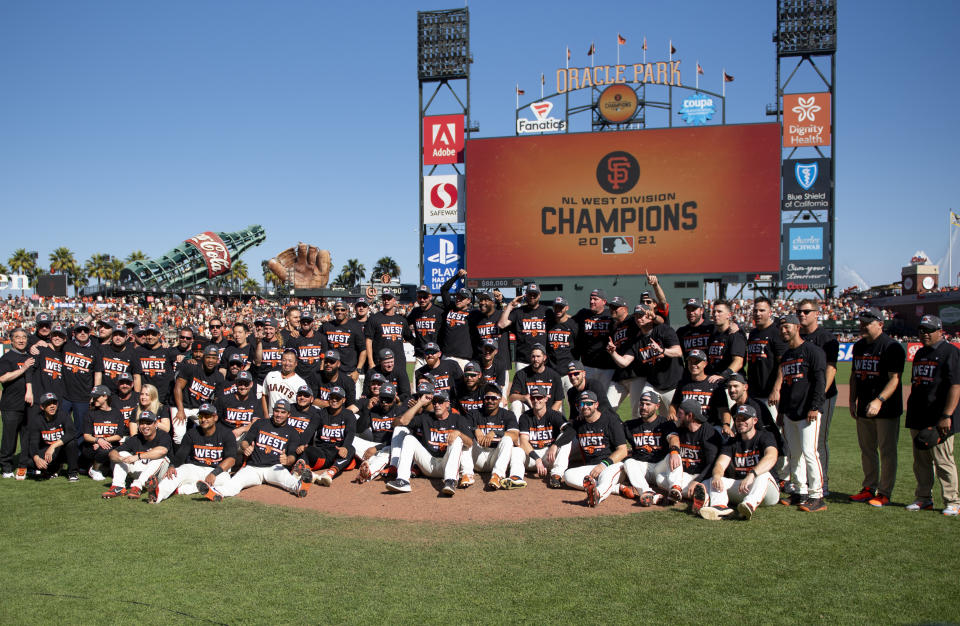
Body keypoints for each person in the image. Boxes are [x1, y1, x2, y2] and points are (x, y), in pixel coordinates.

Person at [848, 307, 905, 507]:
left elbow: (895, 380)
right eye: (861, 322)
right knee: (867, 449)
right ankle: (868, 487)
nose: (862, 326)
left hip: (886, 409)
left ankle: (884, 492)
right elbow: (854, 375)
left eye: (867, 323)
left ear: (880, 324)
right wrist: (851, 400)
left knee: (887, 451)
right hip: (864, 406)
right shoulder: (859, 346)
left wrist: (879, 400)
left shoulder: (892, 347)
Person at [904, 315, 960, 516]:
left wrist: (947, 415)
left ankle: (953, 500)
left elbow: (956, 385)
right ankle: (923, 498)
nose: (924, 334)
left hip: (939, 417)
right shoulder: (920, 353)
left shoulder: (950, 352)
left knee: (943, 460)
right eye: (921, 330)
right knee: (921, 462)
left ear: (940, 331)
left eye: (928, 330)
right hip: (918, 414)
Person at [205, 399, 312, 501]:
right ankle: (217, 493)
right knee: (236, 482)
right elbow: (245, 441)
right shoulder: (260, 423)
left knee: (287, 480)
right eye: (276, 411)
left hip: (274, 467)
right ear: (273, 411)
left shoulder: (293, 432)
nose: (279, 415)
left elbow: (292, 456)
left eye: (283, 412)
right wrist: (246, 448)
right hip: (253, 467)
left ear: (288, 414)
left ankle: (300, 487)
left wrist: (287, 460)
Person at [777, 313, 827, 513]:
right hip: (790, 412)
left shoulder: (812, 351)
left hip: (808, 412)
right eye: (781, 327)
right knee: (794, 454)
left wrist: (815, 407)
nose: (783, 330)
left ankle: (817, 495)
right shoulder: (787, 355)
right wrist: (781, 412)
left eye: (787, 326)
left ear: (797, 327)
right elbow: (786, 388)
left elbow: (819, 382)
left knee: (809, 453)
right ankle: (800, 491)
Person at [698, 405, 781, 521]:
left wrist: (752, 474)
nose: (741, 422)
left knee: (763, 474)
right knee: (713, 480)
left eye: (745, 419)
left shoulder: (765, 436)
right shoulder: (732, 442)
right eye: (738, 419)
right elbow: (720, 464)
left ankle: (749, 505)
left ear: (755, 420)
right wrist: (717, 476)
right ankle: (720, 507)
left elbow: (771, 457)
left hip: (767, 491)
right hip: (744, 487)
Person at [549, 390, 628, 507]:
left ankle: (597, 495)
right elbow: (567, 433)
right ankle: (615, 488)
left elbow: (623, 450)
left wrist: (603, 465)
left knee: (607, 475)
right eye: (582, 404)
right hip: (591, 468)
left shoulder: (610, 421)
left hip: (612, 465)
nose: (585, 407)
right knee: (568, 476)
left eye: (589, 403)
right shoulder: (579, 423)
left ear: (596, 405)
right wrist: (555, 445)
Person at [147, 402, 237, 504]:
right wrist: (172, 466)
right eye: (201, 416)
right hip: (195, 468)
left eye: (207, 416)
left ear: (215, 418)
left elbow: (231, 459)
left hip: (215, 470)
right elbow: (181, 454)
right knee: (177, 473)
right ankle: (156, 495)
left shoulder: (227, 434)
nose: (203, 419)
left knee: (226, 480)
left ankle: (182, 490)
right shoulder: (192, 433)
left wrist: (214, 473)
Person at [386, 390, 473, 496]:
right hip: (428, 463)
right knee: (409, 439)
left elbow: (469, 444)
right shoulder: (426, 417)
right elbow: (402, 422)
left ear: (447, 403)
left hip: (446, 464)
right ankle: (403, 481)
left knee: (458, 439)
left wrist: (459, 433)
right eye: (435, 402)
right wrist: (420, 403)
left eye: (440, 402)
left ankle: (450, 481)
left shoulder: (457, 418)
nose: (436, 405)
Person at [796, 298, 840, 495]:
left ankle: (823, 484)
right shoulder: (795, 336)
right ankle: (802, 484)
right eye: (799, 312)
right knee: (799, 442)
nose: (802, 315)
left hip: (823, 396)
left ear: (817, 313)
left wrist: (819, 397)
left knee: (818, 441)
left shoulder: (826, 338)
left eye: (806, 311)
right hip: (799, 398)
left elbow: (831, 369)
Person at [620, 390, 682, 506]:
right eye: (642, 404)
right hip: (642, 467)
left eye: (648, 404)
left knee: (674, 454)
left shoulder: (665, 423)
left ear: (657, 406)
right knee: (629, 462)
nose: (644, 407)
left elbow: (673, 438)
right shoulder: (630, 425)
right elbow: (617, 442)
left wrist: (674, 451)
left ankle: (675, 488)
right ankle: (647, 492)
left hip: (660, 467)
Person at [461, 382, 526, 490]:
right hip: (478, 456)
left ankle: (497, 476)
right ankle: (467, 474)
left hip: (496, 457)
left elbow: (515, 436)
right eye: (487, 398)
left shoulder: (507, 414)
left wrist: (495, 432)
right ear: (483, 399)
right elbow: (461, 430)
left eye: (494, 398)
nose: (490, 401)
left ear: (500, 399)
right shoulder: (473, 413)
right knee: (464, 439)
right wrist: (474, 429)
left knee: (508, 440)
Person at [100, 410, 171, 499]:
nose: (145, 426)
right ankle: (118, 487)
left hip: (158, 475)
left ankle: (137, 487)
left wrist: (138, 457)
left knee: (161, 458)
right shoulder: (136, 438)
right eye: (142, 423)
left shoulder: (163, 436)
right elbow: (112, 453)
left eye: (148, 423)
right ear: (138, 425)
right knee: (122, 453)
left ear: (155, 424)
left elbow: (162, 451)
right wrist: (121, 459)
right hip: (141, 470)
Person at [298, 386, 357, 486]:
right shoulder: (320, 414)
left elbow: (350, 433)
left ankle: (330, 473)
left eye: (338, 398)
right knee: (305, 449)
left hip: (338, 453)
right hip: (322, 453)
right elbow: (309, 430)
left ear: (343, 400)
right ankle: (308, 473)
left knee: (351, 449)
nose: (334, 400)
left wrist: (345, 447)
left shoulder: (349, 415)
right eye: (332, 397)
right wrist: (302, 444)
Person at [517, 386, 569, 488]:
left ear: (546, 398)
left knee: (566, 441)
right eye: (533, 398)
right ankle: (516, 477)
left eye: (539, 397)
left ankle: (556, 475)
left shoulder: (554, 415)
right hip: (531, 458)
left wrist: (555, 445)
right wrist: (537, 459)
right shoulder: (525, 417)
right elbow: (523, 442)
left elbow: (570, 431)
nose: (536, 400)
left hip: (549, 456)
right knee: (516, 450)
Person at [172, 344, 225, 444]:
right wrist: (180, 410)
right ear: (203, 357)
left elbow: (217, 399)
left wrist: (211, 415)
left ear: (218, 360)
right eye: (208, 357)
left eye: (214, 358)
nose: (210, 361)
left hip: (199, 408)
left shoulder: (219, 377)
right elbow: (177, 388)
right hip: (181, 405)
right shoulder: (191, 367)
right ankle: (178, 459)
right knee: (179, 436)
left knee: (210, 430)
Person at [0, 328, 35, 478]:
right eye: (17, 337)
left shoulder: (31, 357)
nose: (21, 340)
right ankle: (6, 467)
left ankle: (23, 465)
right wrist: (25, 367)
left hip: (29, 405)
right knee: (9, 438)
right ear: (11, 340)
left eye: (24, 337)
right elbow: (3, 378)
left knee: (27, 437)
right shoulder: (7, 358)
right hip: (11, 405)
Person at [355, 382, 406, 483]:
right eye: (383, 399)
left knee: (386, 453)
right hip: (371, 446)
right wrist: (367, 409)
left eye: (389, 400)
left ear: (395, 398)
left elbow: (399, 440)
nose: (385, 403)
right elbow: (358, 429)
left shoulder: (400, 411)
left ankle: (368, 471)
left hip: (389, 447)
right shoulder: (374, 410)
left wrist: (377, 448)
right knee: (351, 439)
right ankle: (370, 462)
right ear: (379, 397)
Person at [674, 400, 721, 508]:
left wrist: (697, 481)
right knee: (660, 479)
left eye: (680, 413)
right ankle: (699, 496)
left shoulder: (709, 432)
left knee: (710, 485)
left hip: (703, 476)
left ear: (690, 416)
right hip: (685, 475)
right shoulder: (680, 429)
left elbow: (711, 463)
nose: (677, 416)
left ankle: (700, 494)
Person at [746, 297, 787, 421]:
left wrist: (776, 390)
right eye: (755, 310)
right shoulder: (752, 334)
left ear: (770, 313)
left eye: (762, 310)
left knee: (776, 430)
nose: (758, 314)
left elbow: (783, 364)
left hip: (771, 394)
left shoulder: (777, 333)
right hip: (754, 393)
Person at [498, 283, 555, 371]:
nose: (532, 296)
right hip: (523, 361)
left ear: (539, 295)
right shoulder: (518, 312)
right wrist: (510, 306)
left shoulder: (547, 311)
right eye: (530, 294)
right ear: (526, 295)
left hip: (542, 360)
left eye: (534, 294)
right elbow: (502, 324)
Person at [23, 392, 78, 481]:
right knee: (30, 462)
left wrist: (53, 446)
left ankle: (72, 473)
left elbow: (71, 433)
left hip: (62, 450)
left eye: (54, 403)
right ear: (42, 407)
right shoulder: (37, 420)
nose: (52, 406)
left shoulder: (63, 415)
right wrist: (36, 458)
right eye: (48, 404)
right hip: (48, 452)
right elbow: (33, 442)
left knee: (72, 443)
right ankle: (54, 468)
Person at [61, 320, 100, 445]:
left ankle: (78, 459)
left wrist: (95, 394)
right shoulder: (66, 345)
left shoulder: (95, 350)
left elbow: (97, 373)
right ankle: (60, 458)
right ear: (74, 333)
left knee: (81, 430)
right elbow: (59, 332)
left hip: (83, 396)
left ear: (90, 332)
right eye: (79, 330)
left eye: (85, 330)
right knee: (60, 427)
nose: (82, 333)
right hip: (64, 395)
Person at [572, 289, 615, 393]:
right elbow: (568, 322)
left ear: (604, 302)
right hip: (588, 366)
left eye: (595, 299)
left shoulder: (610, 315)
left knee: (604, 399)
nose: (592, 301)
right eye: (591, 299)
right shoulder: (583, 314)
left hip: (607, 368)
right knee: (586, 396)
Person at [81, 385, 124, 481]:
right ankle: (94, 469)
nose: (93, 399)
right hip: (92, 447)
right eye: (93, 397)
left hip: (110, 445)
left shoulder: (117, 413)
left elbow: (119, 435)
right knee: (104, 449)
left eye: (96, 397)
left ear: (105, 397)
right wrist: (97, 440)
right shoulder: (90, 413)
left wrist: (103, 440)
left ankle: (106, 467)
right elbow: (86, 436)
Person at [508, 344, 564, 416]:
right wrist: (524, 397)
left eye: (538, 356)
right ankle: (517, 427)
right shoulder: (521, 374)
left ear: (544, 357)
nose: (535, 359)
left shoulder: (554, 375)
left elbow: (559, 401)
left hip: (548, 410)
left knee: (559, 409)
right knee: (516, 404)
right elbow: (511, 397)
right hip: (528, 410)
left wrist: (548, 416)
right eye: (533, 356)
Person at [365, 289, 413, 372]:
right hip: (380, 362)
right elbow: (368, 340)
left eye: (389, 299)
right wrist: (371, 362)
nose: (386, 301)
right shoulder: (374, 318)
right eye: (384, 299)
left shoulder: (401, 320)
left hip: (399, 362)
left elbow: (410, 338)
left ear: (394, 300)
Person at [323, 300, 366, 383]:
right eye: (337, 309)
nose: (340, 312)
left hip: (349, 372)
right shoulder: (326, 326)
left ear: (347, 311)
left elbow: (363, 350)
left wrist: (358, 370)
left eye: (342, 310)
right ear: (333, 311)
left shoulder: (355, 327)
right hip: (331, 372)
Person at [438, 272, 475, 368]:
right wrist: (457, 276)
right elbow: (444, 289)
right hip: (446, 356)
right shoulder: (450, 307)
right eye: (457, 297)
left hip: (463, 358)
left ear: (468, 300)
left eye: (462, 298)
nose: (458, 299)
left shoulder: (473, 314)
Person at [95, 322, 142, 394]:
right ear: (111, 336)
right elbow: (98, 373)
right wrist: (97, 392)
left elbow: (136, 377)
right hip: (104, 394)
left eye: (121, 335)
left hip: (123, 395)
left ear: (126, 337)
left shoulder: (133, 353)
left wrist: (136, 396)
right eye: (115, 335)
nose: (118, 337)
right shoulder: (102, 350)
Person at [705, 300, 745, 383]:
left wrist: (722, 376)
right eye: (714, 312)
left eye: (719, 312)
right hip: (713, 382)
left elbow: (738, 362)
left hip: (729, 384)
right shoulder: (712, 335)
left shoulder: (734, 334)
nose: (716, 314)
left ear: (728, 315)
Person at [216, 370, 262, 442]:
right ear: (236, 384)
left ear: (251, 384)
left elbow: (256, 423)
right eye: (240, 383)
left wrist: (242, 429)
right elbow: (215, 419)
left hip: (245, 438)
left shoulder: (256, 402)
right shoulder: (224, 399)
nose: (243, 387)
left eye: (246, 384)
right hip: (225, 437)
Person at [136, 322, 175, 404]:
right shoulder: (138, 351)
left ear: (159, 335)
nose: (150, 337)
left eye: (153, 334)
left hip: (163, 398)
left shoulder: (167, 350)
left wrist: (183, 357)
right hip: (145, 397)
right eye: (147, 334)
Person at [262, 348, 307, 415]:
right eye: (284, 360)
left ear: (296, 363)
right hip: (271, 417)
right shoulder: (271, 375)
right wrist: (266, 416)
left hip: (288, 420)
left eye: (290, 361)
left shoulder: (301, 383)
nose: (287, 363)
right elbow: (264, 395)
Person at [546, 296, 578, 392]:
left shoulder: (573, 325)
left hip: (569, 371)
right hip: (552, 371)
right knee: (555, 404)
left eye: (561, 307)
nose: (558, 309)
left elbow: (578, 347)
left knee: (572, 401)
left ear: (566, 308)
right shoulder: (548, 325)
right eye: (556, 307)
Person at [407, 285, 443, 370]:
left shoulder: (439, 312)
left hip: (435, 356)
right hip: (421, 356)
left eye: (425, 297)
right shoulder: (415, 312)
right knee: (418, 382)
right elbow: (404, 325)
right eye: (420, 297)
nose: (422, 299)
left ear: (430, 297)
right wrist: (413, 340)